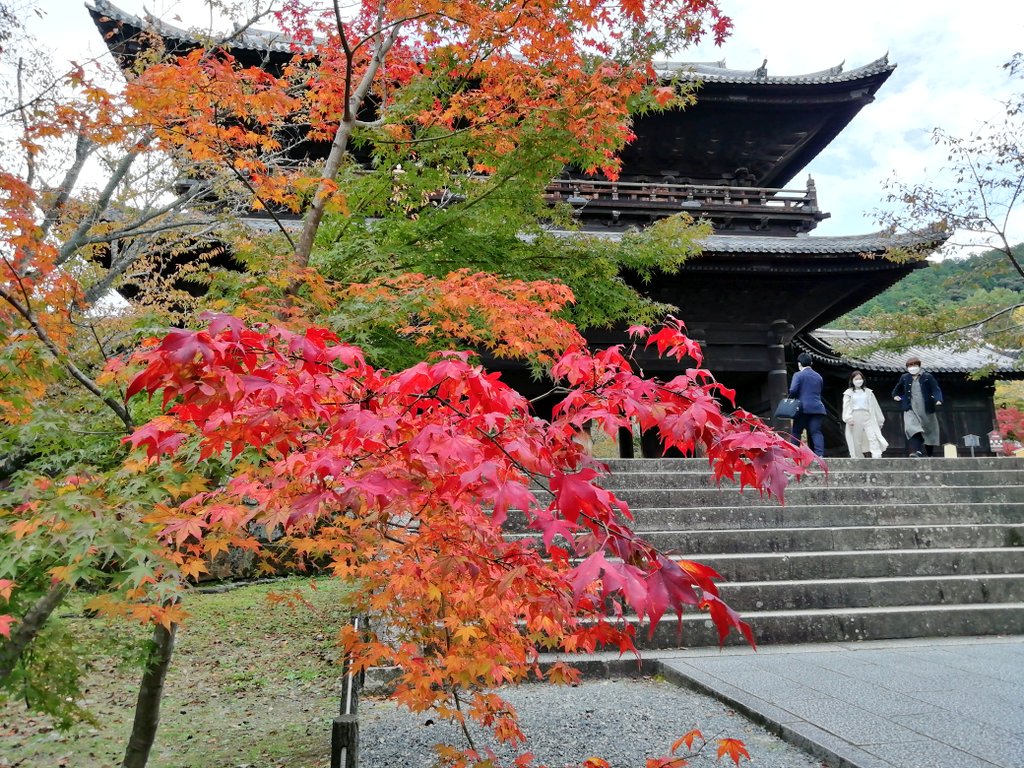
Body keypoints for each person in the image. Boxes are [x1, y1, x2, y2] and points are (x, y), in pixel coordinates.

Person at [892, 356, 944, 457]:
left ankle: (929, 454)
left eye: (914, 365)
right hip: (910, 407)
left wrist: (938, 399)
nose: (912, 367)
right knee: (912, 428)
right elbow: (897, 388)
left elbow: (935, 389)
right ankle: (917, 451)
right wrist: (895, 395)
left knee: (929, 431)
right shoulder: (904, 377)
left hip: (926, 407)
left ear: (919, 366)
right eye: (910, 366)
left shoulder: (927, 377)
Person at [842, 370, 888, 458]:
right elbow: (846, 406)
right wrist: (848, 418)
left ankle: (876, 454)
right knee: (856, 439)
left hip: (868, 415)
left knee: (873, 435)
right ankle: (858, 456)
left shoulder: (868, 392)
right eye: (856, 379)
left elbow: (875, 406)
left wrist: (880, 420)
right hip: (855, 416)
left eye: (860, 379)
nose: (859, 381)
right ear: (852, 380)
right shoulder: (848, 393)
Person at [788, 352, 826, 456]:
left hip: (802, 408)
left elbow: (793, 390)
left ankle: (794, 455)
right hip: (818, 408)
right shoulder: (818, 376)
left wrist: (790, 398)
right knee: (816, 432)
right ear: (811, 363)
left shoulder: (798, 375)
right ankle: (820, 455)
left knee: (796, 432)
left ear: (799, 363)